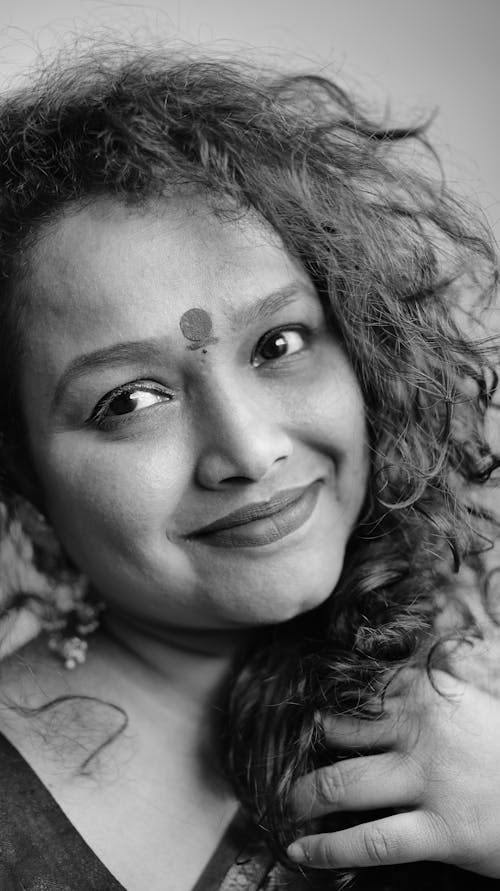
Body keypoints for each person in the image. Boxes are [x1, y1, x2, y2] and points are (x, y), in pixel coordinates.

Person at [0, 45, 498, 891]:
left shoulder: (466, 658)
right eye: (130, 400)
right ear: (27, 486)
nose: (249, 449)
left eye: (278, 344)